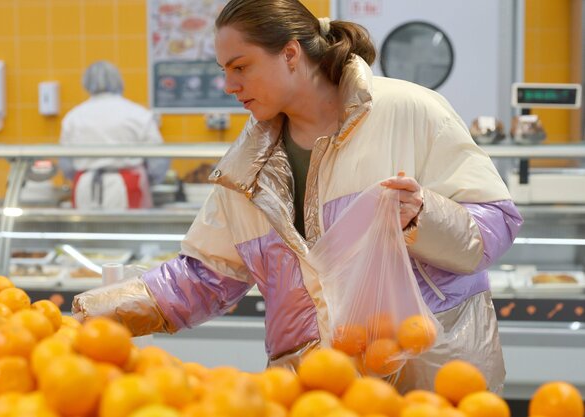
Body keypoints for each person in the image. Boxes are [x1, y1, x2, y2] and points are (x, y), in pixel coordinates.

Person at [73, 0, 522, 393]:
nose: (229, 85)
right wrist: (86, 317)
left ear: (290, 53)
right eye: (224, 70)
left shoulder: (409, 111)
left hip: (432, 379)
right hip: (315, 391)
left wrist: (425, 215)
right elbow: (204, 278)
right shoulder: (248, 165)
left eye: (240, 66)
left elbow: (496, 222)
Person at [59, 61, 169, 210]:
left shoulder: (73, 116)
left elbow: (66, 164)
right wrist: (151, 179)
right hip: (127, 184)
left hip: (84, 186)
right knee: (125, 232)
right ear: (118, 81)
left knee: (86, 232)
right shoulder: (137, 113)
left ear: (86, 82)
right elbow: (158, 161)